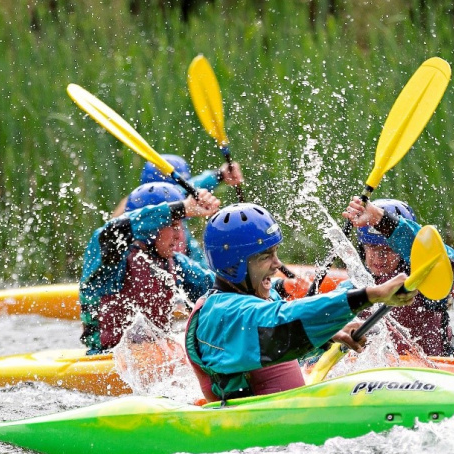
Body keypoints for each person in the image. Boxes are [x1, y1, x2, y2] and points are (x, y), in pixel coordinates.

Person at [185, 203, 416, 402]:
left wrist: (330, 335)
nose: (277, 264)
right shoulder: (221, 314)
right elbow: (282, 322)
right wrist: (369, 295)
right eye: (266, 256)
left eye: (275, 253)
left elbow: (277, 352)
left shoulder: (257, 297)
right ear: (234, 265)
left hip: (283, 414)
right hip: (249, 429)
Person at [80, 182, 220, 353]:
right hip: (105, 358)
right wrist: (182, 207)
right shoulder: (111, 258)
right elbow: (112, 230)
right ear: (149, 229)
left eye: (180, 226)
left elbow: (215, 288)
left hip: (155, 360)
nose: (179, 235)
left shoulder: (176, 264)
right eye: (173, 225)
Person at [341, 197, 454, 357]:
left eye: (388, 250)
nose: (378, 257)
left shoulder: (424, 277)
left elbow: (445, 258)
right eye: (371, 248)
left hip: (432, 367)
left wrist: (382, 220)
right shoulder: (358, 283)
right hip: (379, 371)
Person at [111, 154, 244, 265]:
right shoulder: (129, 221)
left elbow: (206, 274)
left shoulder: (181, 244)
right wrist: (217, 176)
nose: (177, 232)